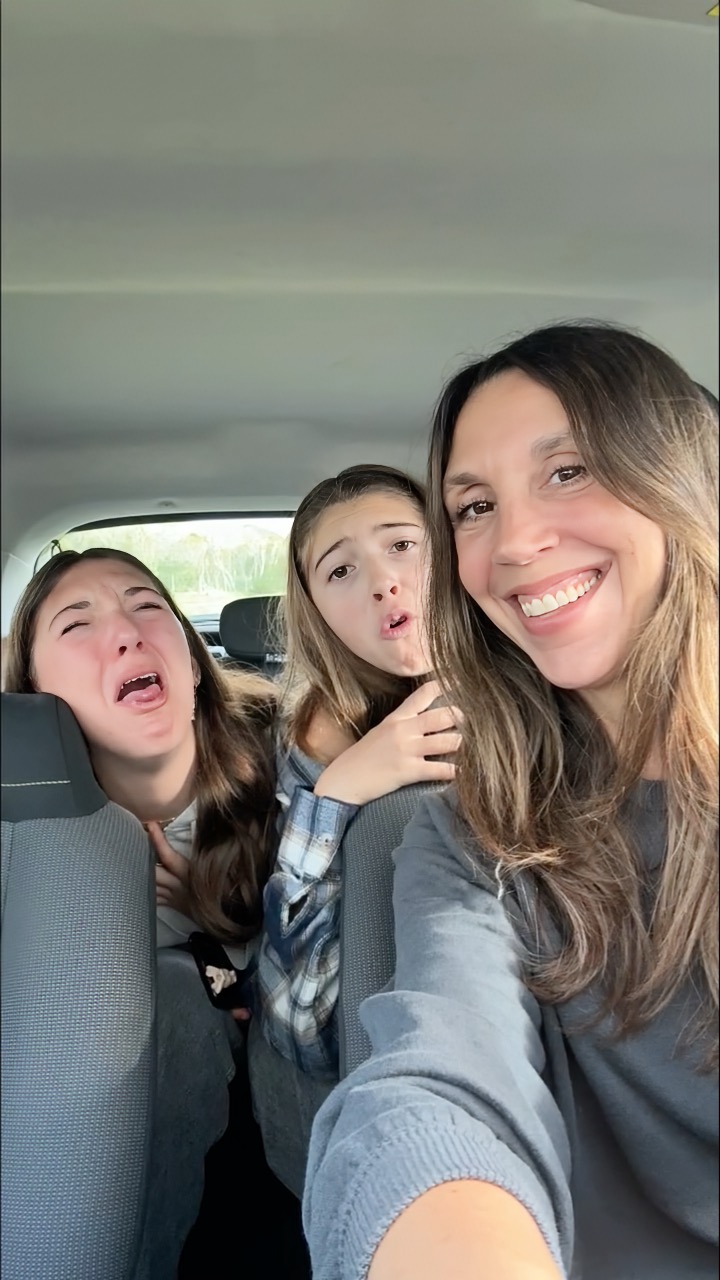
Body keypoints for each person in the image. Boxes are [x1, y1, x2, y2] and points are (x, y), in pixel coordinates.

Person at [302, 324, 719, 1280]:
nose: (519, 542)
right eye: (477, 506)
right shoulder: (475, 830)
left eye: (569, 471)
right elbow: (436, 1074)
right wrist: (328, 801)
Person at [3, 546, 279, 1278]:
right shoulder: (23, 844)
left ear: (192, 659)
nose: (126, 634)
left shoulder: (294, 772)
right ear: (34, 694)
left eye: (147, 606)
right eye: (77, 624)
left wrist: (211, 915)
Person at [255, 464, 462, 1079]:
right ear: (317, 613)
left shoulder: (552, 681)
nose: (382, 582)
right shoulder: (318, 740)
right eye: (340, 571)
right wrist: (336, 793)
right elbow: (299, 1026)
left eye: (402, 545)